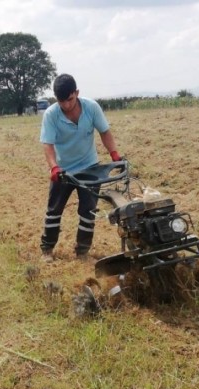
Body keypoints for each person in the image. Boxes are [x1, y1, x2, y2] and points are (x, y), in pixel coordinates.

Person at [39, 74, 122, 262]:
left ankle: (82, 252)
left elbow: (104, 132)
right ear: (56, 99)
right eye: (61, 101)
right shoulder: (51, 114)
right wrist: (54, 167)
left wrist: (114, 154)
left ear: (76, 93)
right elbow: (48, 145)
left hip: (89, 167)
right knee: (54, 210)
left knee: (88, 211)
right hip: (63, 170)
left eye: (70, 99)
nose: (66, 105)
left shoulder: (91, 108)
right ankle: (47, 250)